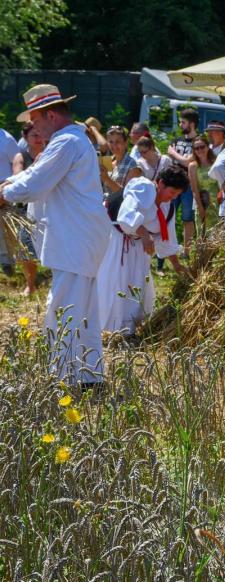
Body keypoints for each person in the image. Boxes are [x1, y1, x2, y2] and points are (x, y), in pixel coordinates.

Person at [0, 84, 110, 385]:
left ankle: (62, 379)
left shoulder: (65, 142)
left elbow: (34, 184)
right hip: (83, 235)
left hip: (76, 237)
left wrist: (4, 192)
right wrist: (7, 185)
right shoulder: (73, 139)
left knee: (62, 307)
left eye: (34, 119)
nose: (32, 126)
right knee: (83, 309)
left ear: (50, 114)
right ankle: (89, 376)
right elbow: (32, 174)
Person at [96, 167, 189, 335]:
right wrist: (145, 234)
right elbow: (125, 215)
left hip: (139, 243)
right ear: (160, 183)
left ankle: (129, 328)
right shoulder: (143, 188)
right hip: (116, 236)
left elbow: (166, 238)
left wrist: (176, 265)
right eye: (172, 192)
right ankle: (110, 327)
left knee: (137, 279)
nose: (173, 197)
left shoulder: (168, 207)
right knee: (117, 279)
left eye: (177, 195)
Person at [11, 122, 46, 295]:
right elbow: (18, 178)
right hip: (25, 210)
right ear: (25, 138)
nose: (39, 139)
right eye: (34, 135)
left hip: (48, 207)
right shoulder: (21, 156)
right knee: (26, 248)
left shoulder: (51, 153)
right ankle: (30, 283)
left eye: (40, 134)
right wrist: (36, 166)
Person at [166, 108, 200, 257]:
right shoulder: (177, 140)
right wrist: (182, 159)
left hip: (188, 185)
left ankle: (186, 251)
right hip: (173, 184)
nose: (180, 124)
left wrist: (173, 153)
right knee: (168, 217)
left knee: (188, 218)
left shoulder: (198, 142)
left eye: (183, 122)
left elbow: (187, 162)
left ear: (191, 124)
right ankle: (167, 249)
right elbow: (183, 160)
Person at [0, 128, 21, 276]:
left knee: (3, 229)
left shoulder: (6, 138)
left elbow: (17, 161)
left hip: (2, 188)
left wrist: (11, 184)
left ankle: (6, 262)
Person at [100, 126, 142, 195]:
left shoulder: (133, 165)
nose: (114, 145)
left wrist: (107, 179)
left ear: (126, 143)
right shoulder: (108, 160)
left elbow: (126, 194)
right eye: (111, 142)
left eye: (118, 141)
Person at [187, 134, 216, 227]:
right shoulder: (192, 166)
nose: (199, 150)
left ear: (208, 147)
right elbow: (194, 190)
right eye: (196, 148)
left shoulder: (216, 162)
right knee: (202, 238)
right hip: (202, 204)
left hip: (217, 205)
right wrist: (200, 208)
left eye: (202, 147)